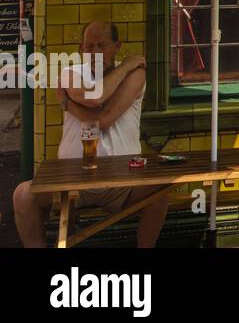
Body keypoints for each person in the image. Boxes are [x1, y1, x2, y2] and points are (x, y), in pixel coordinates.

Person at [11, 21, 170, 248]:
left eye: (102, 46)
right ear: (80, 49)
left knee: (161, 191)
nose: (95, 52)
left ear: (117, 46)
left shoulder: (136, 76)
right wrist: (125, 67)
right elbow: (94, 97)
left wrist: (67, 103)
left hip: (123, 180)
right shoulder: (70, 73)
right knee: (22, 195)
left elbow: (103, 119)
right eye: (89, 46)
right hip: (72, 179)